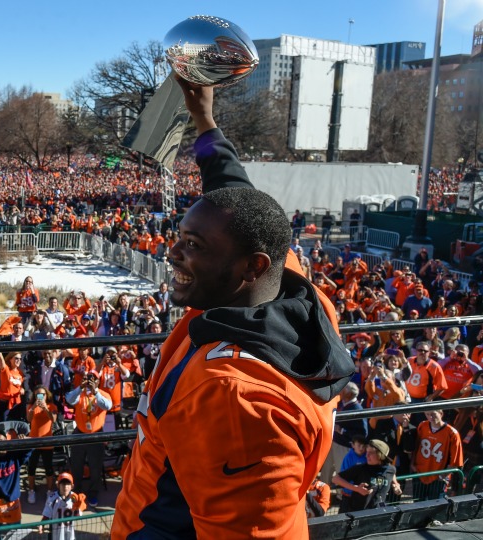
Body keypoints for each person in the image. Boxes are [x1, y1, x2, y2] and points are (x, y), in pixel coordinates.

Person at [112, 80, 354, 538]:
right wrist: (205, 122)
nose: (173, 253)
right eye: (180, 237)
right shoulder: (287, 288)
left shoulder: (233, 399)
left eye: (193, 245)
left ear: (250, 265)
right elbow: (236, 199)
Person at [66, 370, 111, 506]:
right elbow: (69, 400)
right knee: (76, 465)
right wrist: (80, 387)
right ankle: (77, 491)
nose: (90, 381)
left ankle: (93, 494)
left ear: (98, 381)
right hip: (80, 432)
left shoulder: (103, 394)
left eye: (93, 379)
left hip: (96, 434)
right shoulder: (80, 393)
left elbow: (107, 406)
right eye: (88, 378)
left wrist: (95, 391)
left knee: (95, 467)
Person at [412, 409, 464, 500]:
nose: (430, 417)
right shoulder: (422, 426)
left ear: (441, 413)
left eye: (433, 414)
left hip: (438, 476)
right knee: (417, 504)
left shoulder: (452, 433)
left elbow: (455, 461)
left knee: (435, 506)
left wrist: (442, 475)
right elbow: (415, 447)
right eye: (428, 414)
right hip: (420, 473)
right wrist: (412, 464)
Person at [40, 472, 87, 540]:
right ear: (58, 485)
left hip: (69, 532)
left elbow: (77, 515)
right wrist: (42, 524)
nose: (65, 487)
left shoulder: (75, 498)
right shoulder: (52, 498)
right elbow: (46, 514)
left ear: (72, 486)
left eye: (68, 484)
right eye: (63, 484)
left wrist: (80, 506)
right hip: (55, 534)